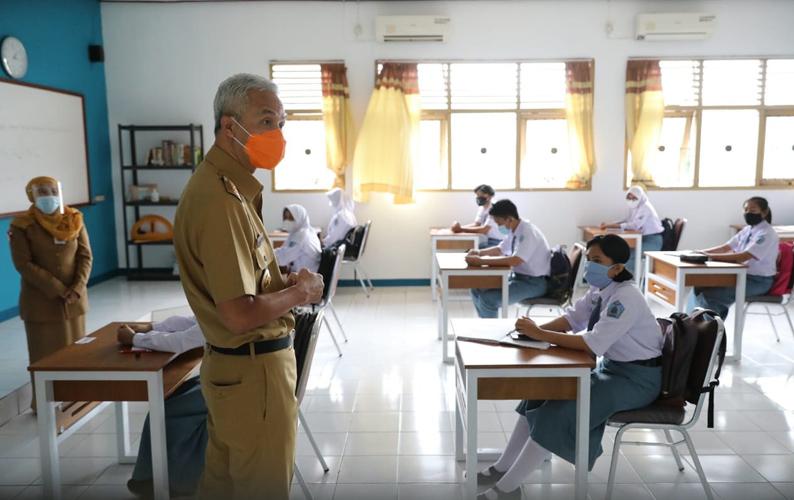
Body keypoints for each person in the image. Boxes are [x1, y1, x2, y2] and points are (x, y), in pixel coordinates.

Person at [173, 73, 324, 500]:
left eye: (281, 122)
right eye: (266, 121)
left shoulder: (230, 190)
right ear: (229, 127)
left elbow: (247, 285)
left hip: (236, 373)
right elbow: (239, 313)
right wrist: (302, 292)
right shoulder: (221, 202)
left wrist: (281, 284)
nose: (277, 134)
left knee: (223, 487)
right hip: (253, 373)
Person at [476, 235, 663, 499]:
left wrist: (541, 335)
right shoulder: (601, 290)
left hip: (637, 380)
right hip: (612, 369)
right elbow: (572, 319)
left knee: (558, 414)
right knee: (537, 392)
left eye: (597, 261)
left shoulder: (625, 298)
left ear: (618, 267)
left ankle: (507, 489)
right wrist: (533, 332)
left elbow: (591, 343)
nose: (590, 266)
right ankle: (502, 467)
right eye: (589, 260)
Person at [9, 176, 92, 412]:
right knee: (44, 356)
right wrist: (58, 289)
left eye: (53, 191)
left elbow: (85, 256)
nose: (49, 196)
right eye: (42, 192)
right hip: (41, 303)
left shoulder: (74, 219)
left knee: (76, 353)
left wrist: (76, 288)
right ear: (32, 196)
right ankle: (45, 405)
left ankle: (76, 400)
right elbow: (23, 264)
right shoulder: (22, 225)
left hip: (75, 301)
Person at [116, 316, 206, 498]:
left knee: (164, 412)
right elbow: (196, 320)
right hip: (222, 376)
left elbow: (183, 340)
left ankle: (163, 481)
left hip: (233, 384)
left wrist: (135, 339)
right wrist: (151, 327)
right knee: (172, 398)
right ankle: (151, 476)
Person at [688, 196, 779, 319]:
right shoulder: (747, 230)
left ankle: (709, 333)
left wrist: (710, 257)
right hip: (740, 275)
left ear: (764, 212)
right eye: (745, 210)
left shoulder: (767, 233)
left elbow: (743, 257)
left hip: (758, 281)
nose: (748, 213)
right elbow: (725, 247)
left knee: (709, 296)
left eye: (752, 210)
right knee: (698, 286)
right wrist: (699, 253)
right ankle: (689, 325)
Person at [467, 199, 550, 318]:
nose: (499, 227)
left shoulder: (528, 232)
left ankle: (490, 334)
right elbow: (500, 249)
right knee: (476, 287)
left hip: (534, 283)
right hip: (519, 278)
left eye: (500, 224)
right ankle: (484, 324)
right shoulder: (514, 230)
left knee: (488, 300)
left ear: (509, 219)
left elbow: (515, 260)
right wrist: (478, 252)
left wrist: (481, 261)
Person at [600, 185, 664, 276]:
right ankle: (620, 278)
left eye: (634, 198)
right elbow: (626, 220)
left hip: (652, 240)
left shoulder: (645, 207)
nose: (631, 200)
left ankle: (628, 280)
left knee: (629, 256)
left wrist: (611, 225)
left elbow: (634, 226)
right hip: (642, 239)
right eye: (629, 197)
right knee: (622, 253)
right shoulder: (635, 207)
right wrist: (610, 224)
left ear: (640, 197)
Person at [275, 204, 321, 274]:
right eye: (286, 218)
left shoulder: (302, 235)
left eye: (291, 218)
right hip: (303, 275)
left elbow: (284, 256)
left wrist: (268, 253)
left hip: (306, 279)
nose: (287, 221)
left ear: (300, 218)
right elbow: (284, 250)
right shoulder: (300, 233)